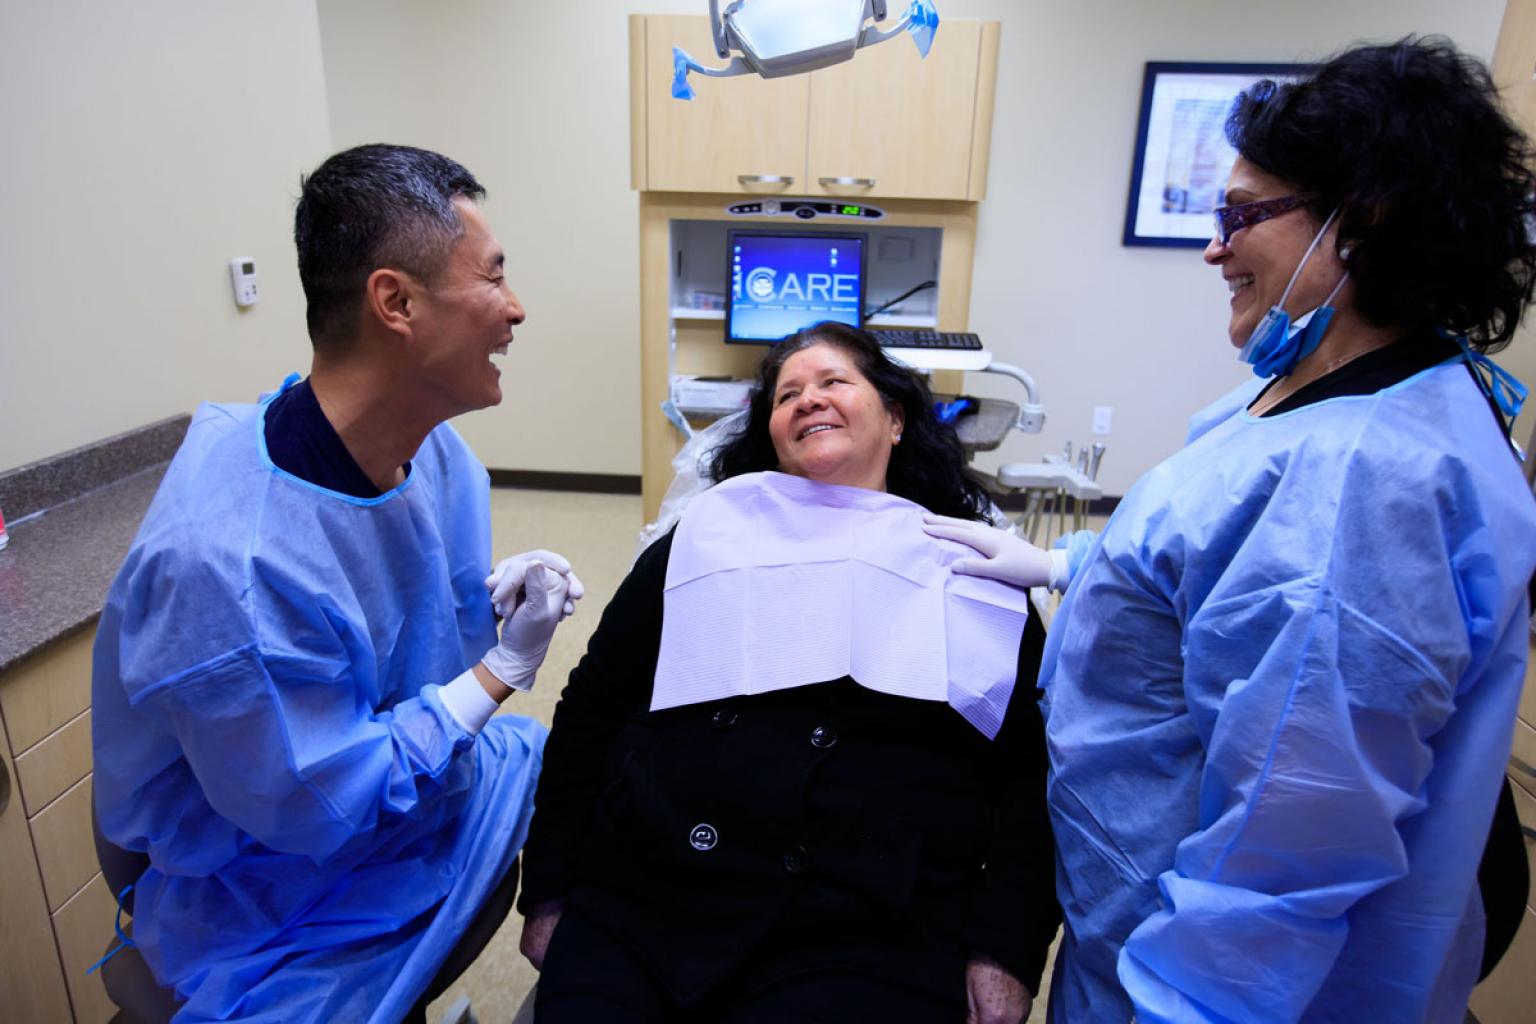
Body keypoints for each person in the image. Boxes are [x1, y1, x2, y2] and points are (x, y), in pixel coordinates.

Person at [925, 38, 1536, 1022]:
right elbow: (1223, 571)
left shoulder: (1360, 483)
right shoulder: (1328, 396)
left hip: (1198, 979)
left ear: (1365, 218)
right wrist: (1069, 563)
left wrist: (1184, 1005)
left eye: (1242, 215)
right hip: (1141, 928)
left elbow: (1285, 855)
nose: (1215, 249)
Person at [92, 144, 582, 1023]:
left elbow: (411, 623)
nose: (516, 309)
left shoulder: (429, 450)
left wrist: (492, 605)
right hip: (273, 893)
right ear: (396, 302)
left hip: (415, 808)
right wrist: (500, 672)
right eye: (493, 276)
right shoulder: (229, 567)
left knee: (592, 772)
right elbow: (317, 804)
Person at [516, 322, 1061, 1024]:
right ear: (772, 435)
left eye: (834, 382)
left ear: (895, 419)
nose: (808, 399)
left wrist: (1006, 947)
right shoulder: (701, 540)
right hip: (652, 894)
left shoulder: (971, 566)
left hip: (868, 923)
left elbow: (1028, 772)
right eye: (787, 395)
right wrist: (551, 887)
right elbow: (592, 706)